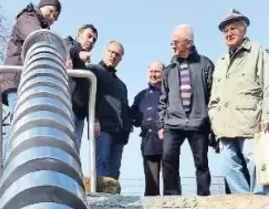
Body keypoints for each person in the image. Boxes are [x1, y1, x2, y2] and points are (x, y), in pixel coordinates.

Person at [208, 10, 269, 196]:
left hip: (251, 120)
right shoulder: (221, 61)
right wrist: (214, 118)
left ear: (244, 30)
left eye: (233, 28)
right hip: (225, 124)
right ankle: (243, 200)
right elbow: (214, 98)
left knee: (254, 161)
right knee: (227, 165)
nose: (229, 33)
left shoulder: (258, 51)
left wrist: (267, 115)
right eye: (225, 31)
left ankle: (260, 198)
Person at [0, 0, 61, 170]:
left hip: (27, 81)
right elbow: (36, 39)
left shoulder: (41, 26)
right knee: (20, 121)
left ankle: (27, 164)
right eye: (51, 11)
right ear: (42, 7)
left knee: (28, 122)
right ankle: (10, 167)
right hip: (17, 80)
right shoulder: (28, 18)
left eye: (55, 16)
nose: (52, 17)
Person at [157, 25, 215, 196]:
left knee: (201, 162)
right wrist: (161, 124)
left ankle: (204, 196)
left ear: (188, 43)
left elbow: (213, 94)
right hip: (173, 123)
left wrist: (212, 123)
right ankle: (172, 197)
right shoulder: (168, 70)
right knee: (168, 158)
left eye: (176, 42)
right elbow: (163, 99)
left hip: (199, 122)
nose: (172, 46)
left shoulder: (205, 64)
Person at [88, 41, 132, 180]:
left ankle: (113, 201)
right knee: (102, 165)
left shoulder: (121, 85)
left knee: (115, 170)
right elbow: (89, 98)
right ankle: (101, 199)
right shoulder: (93, 71)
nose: (113, 56)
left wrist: (126, 132)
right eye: (111, 52)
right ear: (105, 52)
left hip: (119, 133)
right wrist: (94, 120)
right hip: (103, 128)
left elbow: (125, 108)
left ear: (120, 59)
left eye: (117, 54)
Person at [132, 61, 166, 195]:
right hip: (148, 142)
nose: (153, 74)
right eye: (151, 71)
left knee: (171, 180)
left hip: (168, 141)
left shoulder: (169, 94)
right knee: (151, 183)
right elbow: (133, 116)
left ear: (163, 74)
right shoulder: (141, 96)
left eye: (157, 72)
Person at [64, 24, 99, 148]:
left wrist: (93, 120)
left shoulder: (87, 70)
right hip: (67, 108)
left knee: (74, 150)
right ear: (79, 35)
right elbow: (66, 48)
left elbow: (90, 97)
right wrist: (78, 53)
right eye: (89, 36)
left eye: (94, 40)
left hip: (80, 116)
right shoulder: (69, 43)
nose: (91, 41)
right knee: (64, 146)